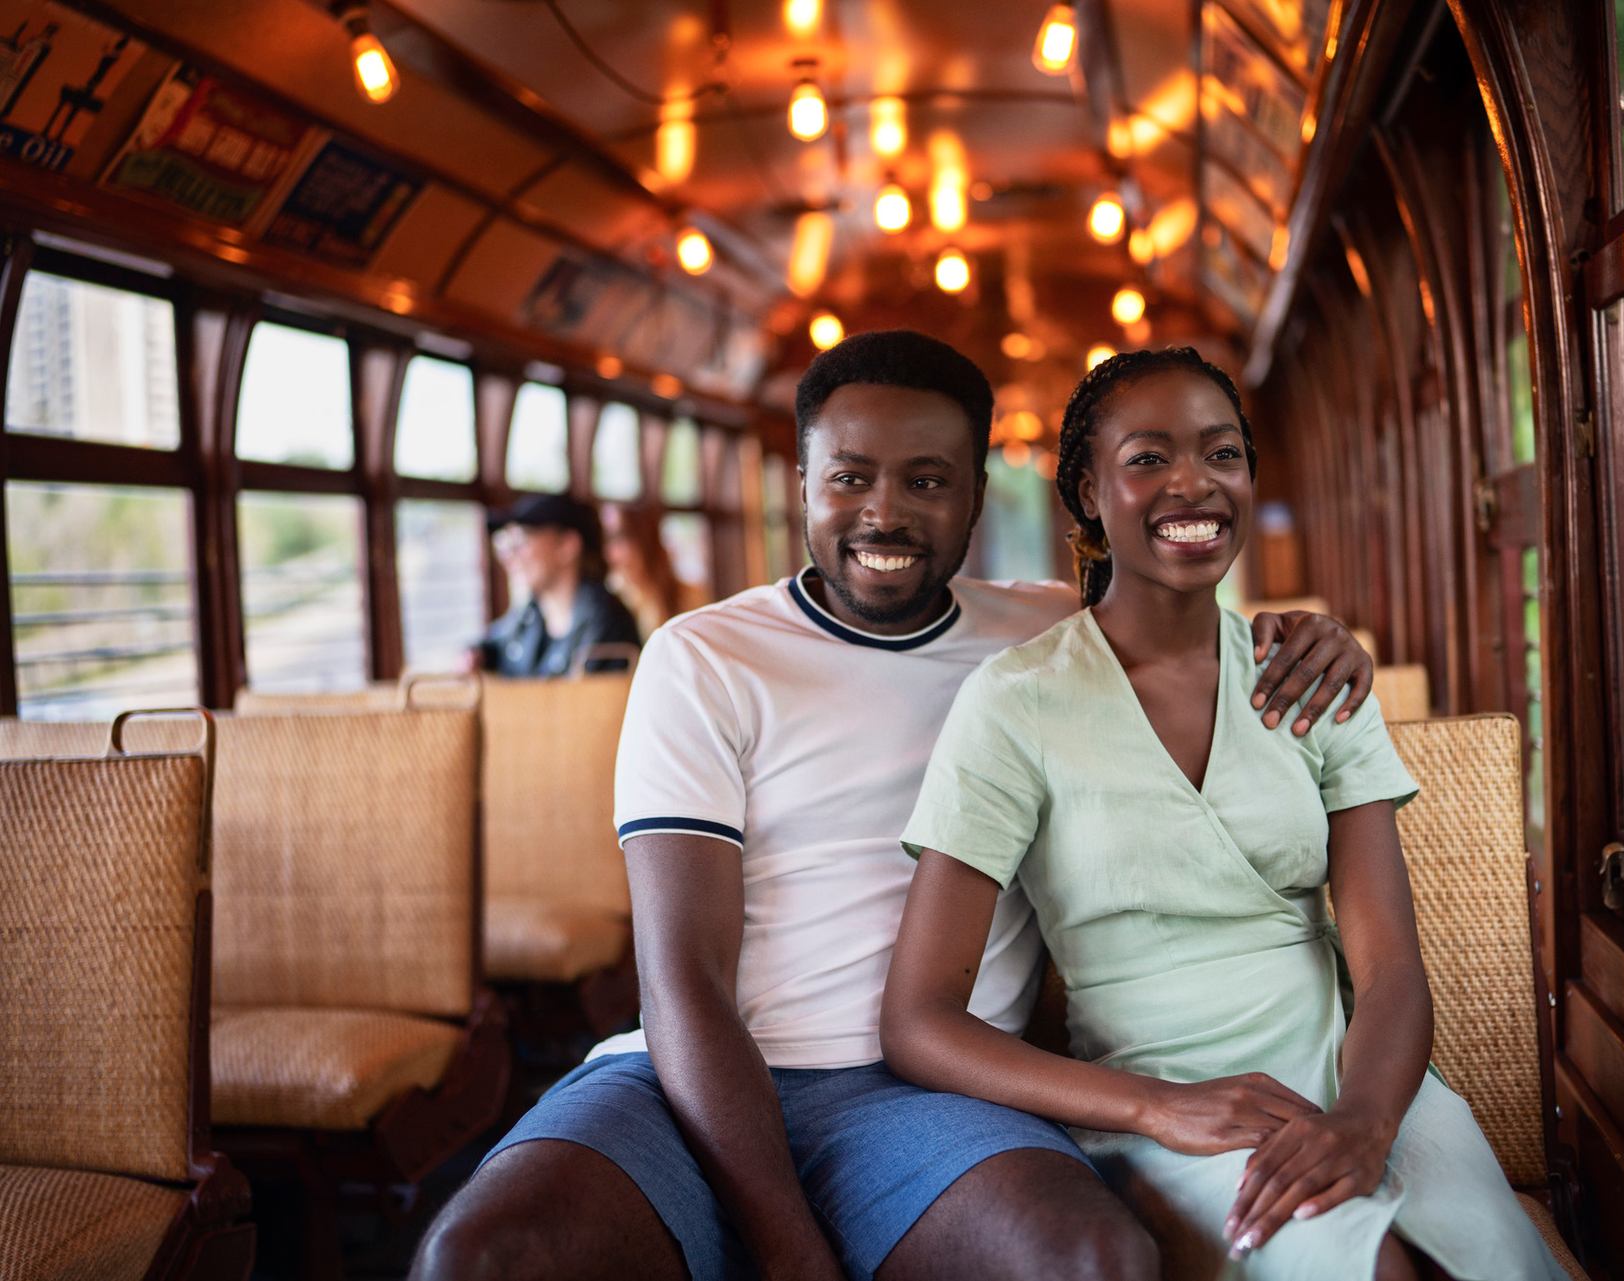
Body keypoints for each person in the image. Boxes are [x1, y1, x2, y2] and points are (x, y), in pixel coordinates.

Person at [411, 331, 1376, 1281]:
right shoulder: (703, 657)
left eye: (926, 480)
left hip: (931, 1090)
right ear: (802, 485)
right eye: (849, 478)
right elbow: (684, 982)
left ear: (974, 499)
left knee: (1095, 1259)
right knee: (482, 1255)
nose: (884, 513)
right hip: (687, 1081)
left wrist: (1309, 638)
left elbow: (1188, 630)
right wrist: (788, 1244)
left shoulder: (1049, 635)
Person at [881, 347, 1565, 1281]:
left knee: (1482, 1266)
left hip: (1353, 1072)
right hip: (1164, 1103)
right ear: (1088, 490)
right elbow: (919, 1020)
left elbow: (1391, 965)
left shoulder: (1313, 675)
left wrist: (1366, 1120)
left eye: (1222, 454)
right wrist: (1155, 1106)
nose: (1193, 484)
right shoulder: (1017, 703)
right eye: (1149, 458)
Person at [470, 494, 642, 676]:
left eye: (522, 542)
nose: (510, 557)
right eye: (506, 546)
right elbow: (496, 642)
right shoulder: (528, 616)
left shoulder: (607, 622)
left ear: (567, 545)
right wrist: (477, 654)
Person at [601, 501, 688, 638]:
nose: (610, 553)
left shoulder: (688, 595)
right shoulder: (608, 601)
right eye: (607, 540)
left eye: (620, 538)